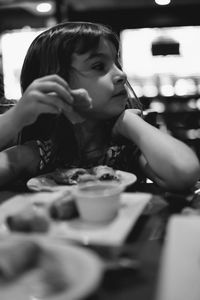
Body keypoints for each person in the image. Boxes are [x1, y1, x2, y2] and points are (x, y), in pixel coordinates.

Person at [0, 21, 199, 191]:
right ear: (58, 83)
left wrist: (129, 122)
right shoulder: (40, 154)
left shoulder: (127, 147)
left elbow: (185, 172)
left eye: (117, 63)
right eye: (98, 66)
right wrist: (15, 118)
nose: (122, 75)